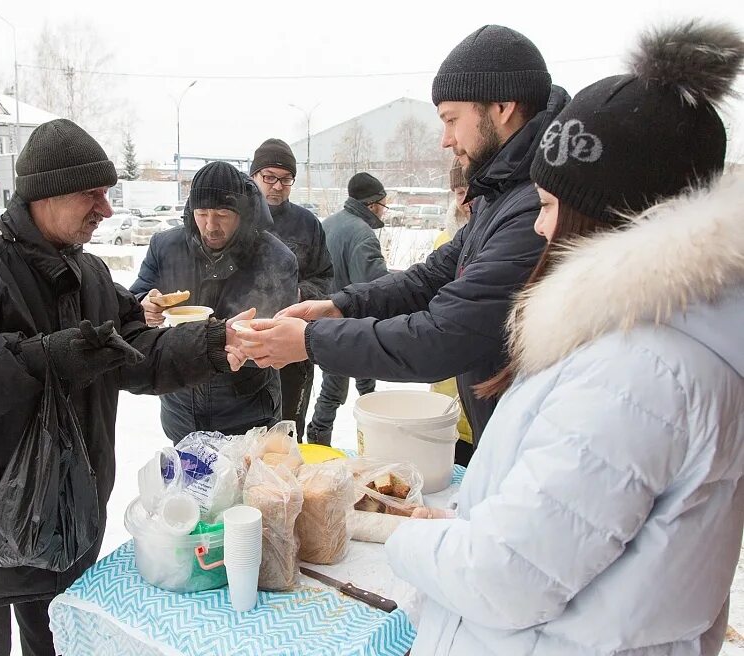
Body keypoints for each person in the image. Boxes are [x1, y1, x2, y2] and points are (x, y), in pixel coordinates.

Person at [386, 21, 744, 654]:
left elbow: (506, 579)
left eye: (550, 207)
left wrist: (403, 537)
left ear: (610, 218)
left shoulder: (641, 371)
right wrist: (466, 529)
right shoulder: (649, 342)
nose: (540, 229)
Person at [0, 119, 247, 656]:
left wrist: (216, 344)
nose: (104, 209)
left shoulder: (92, 274)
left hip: (65, 517)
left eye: (105, 194)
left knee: (57, 643)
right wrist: (44, 360)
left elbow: (132, 354)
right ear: (45, 193)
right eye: (91, 194)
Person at [235, 26, 569, 456]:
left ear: (502, 107)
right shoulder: (501, 193)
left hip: (533, 447)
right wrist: (340, 306)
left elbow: (444, 335)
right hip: (503, 436)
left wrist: (309, 340)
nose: (446, 139)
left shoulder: (534, 207)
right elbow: (428, 278)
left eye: (451, 119)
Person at [130, 161, 298, 443]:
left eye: (222, 214)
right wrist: (142, 305)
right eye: (202, 213)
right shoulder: (165, 247)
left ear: (242, 213)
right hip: (180, 405)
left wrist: (233, 342)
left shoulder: (276, 258)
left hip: (247, 410)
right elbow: (136, 300)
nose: (210, 225)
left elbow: (279, 340)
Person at [249, 138, 334, 441]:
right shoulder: (236, 218)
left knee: (287, 429)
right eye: (269, 177)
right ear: (253, 176)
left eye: (286, 179)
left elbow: (325, 277)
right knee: (246, 433)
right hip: (244, 341)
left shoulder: (307, 223)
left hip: (292, 342)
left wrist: (301, 293)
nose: (277, 186)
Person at [304, 172, 388, 445]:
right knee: (338, 388)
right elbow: (375, 287)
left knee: (341, 382)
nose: (383, 211)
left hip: (324, 319)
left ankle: (320, 438)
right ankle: (371, 438)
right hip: (353, 325)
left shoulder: (328, 224)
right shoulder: (363, 235)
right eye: (383, 204)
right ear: (372, 204)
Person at [431, 160, 474, 462]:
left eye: (470, 190)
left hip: (483, 388)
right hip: (446, 384)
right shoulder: (445, 240)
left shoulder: (503, 239)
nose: (465, 200)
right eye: (459, 192)